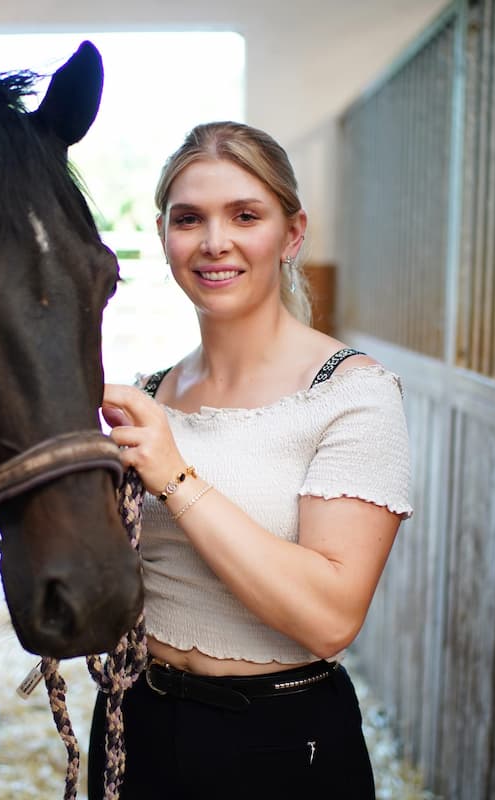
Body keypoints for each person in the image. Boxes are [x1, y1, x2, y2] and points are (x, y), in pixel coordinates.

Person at [88, 121, 413, 799]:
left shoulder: (351, 394)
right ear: (162, 235)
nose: (214, 242)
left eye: (244, 215)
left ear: (292, 235)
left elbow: (330, 618)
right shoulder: (148, 394)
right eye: (189, 219)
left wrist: (176, 478)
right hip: (135, 721)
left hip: (280, 742)